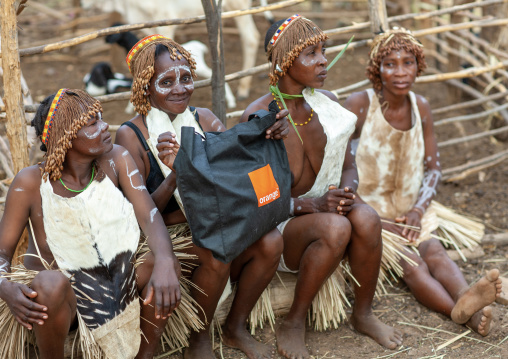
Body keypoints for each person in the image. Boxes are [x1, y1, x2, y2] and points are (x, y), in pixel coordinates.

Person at [115, 35, 289, 359]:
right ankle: (198, 339)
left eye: (186, 77)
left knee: (271, 241)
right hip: (168, 236)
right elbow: (138, 214)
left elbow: (234, 179)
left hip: (214, 221)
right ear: (145, 87)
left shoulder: (204, 119)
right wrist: (179, 173)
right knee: (216, 251)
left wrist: (264, 135)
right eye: (166, 81)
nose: (180, 88)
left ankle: (235, 327)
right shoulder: (132, 135)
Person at [241, 15, 403, 359]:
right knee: (335, 224)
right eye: (310, 53)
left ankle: (363, 314)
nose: (323, 59)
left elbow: (347, 164)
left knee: (367, 218)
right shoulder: (260, 116)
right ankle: (295, 322)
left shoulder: (326, 104)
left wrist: (347, 191)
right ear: (284, 60)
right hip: (282, 224)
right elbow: (261, 196)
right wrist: (315, 207)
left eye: (324, 50)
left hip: (326, 209)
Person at [0, 89, 182, 359]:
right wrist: (4, 287)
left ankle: (144, 355)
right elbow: (1, 253)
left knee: (164, 262)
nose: (105, 125)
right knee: (49, 283)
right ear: (65, 136)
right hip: (67, 300)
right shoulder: (30, 183)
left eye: (101, 117)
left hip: (119, 281)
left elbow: (148, 216)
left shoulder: (116, 160)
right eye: (92, 123)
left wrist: (166, 259)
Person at [344, 28, 502, 336]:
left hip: (411, 212)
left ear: (419, 66)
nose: (400, 72)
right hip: (368, 217)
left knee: (436, 254)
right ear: (377, 69)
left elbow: (433, 169)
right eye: (390, 64)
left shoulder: (421, 107)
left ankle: (464, 299)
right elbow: (338, 171)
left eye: (408, 62)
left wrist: (417, 211)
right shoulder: (360, 106)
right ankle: (461, 314)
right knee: (414, 265)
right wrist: (373, 220)